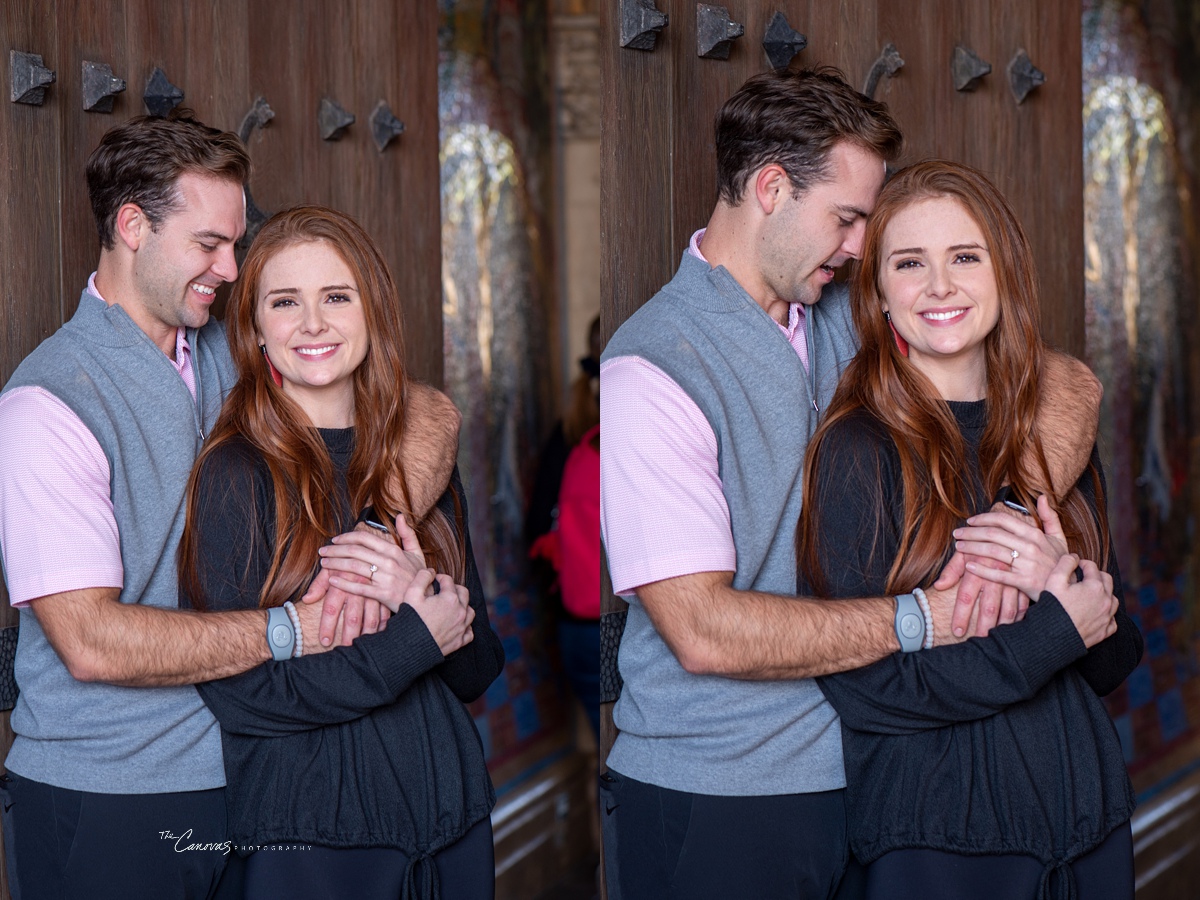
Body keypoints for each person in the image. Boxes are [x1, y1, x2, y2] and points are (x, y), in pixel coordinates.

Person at [599, 68, 1106, 898]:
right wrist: (927, 617)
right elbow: (703, 633)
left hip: (877, 779)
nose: (863, 245)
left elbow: (1063, 382)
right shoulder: (652, 366)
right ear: (770, 188)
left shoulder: (846, 307)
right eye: (848, 217)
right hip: (721, 792)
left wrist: (1011, 526)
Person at [0, 110, 459, 899]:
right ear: (132, 226)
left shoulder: (227, 344)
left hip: (253, 780)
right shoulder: (46, 404)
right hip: (114, 795)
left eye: (237, 243)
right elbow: (90, 644)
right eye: (210, 244)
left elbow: (425, 412)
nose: (231, 266)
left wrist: (370, 549)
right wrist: (299, 628)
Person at [797, 160, 1141, 899]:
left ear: (1004, 270)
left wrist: (1058, 580)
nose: (940, 285)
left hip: (1089, 830)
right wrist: (1050, 631)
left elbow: (1115, 659)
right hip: (940, 844)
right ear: (880, 291)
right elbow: (864, 690)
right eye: (910, 263)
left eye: (964, 257)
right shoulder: (858, 446)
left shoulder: (1047, 439)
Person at [178, 205, 504, 899]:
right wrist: (413, 638)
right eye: (285, 302)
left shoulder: (413, 463)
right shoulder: (235, 470)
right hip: (314, 842)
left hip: (454, 826)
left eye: (335, 296)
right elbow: (240, 698)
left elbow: (478, 667)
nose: (313, 323)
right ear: (256, 328)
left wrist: (419, 590)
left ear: (372, 309)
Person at [528, 315, 601, 739]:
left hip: (575, 625)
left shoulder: (568, 436)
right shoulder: (638, 428)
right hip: (632, 626)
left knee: (607, 759)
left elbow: (536, 528)